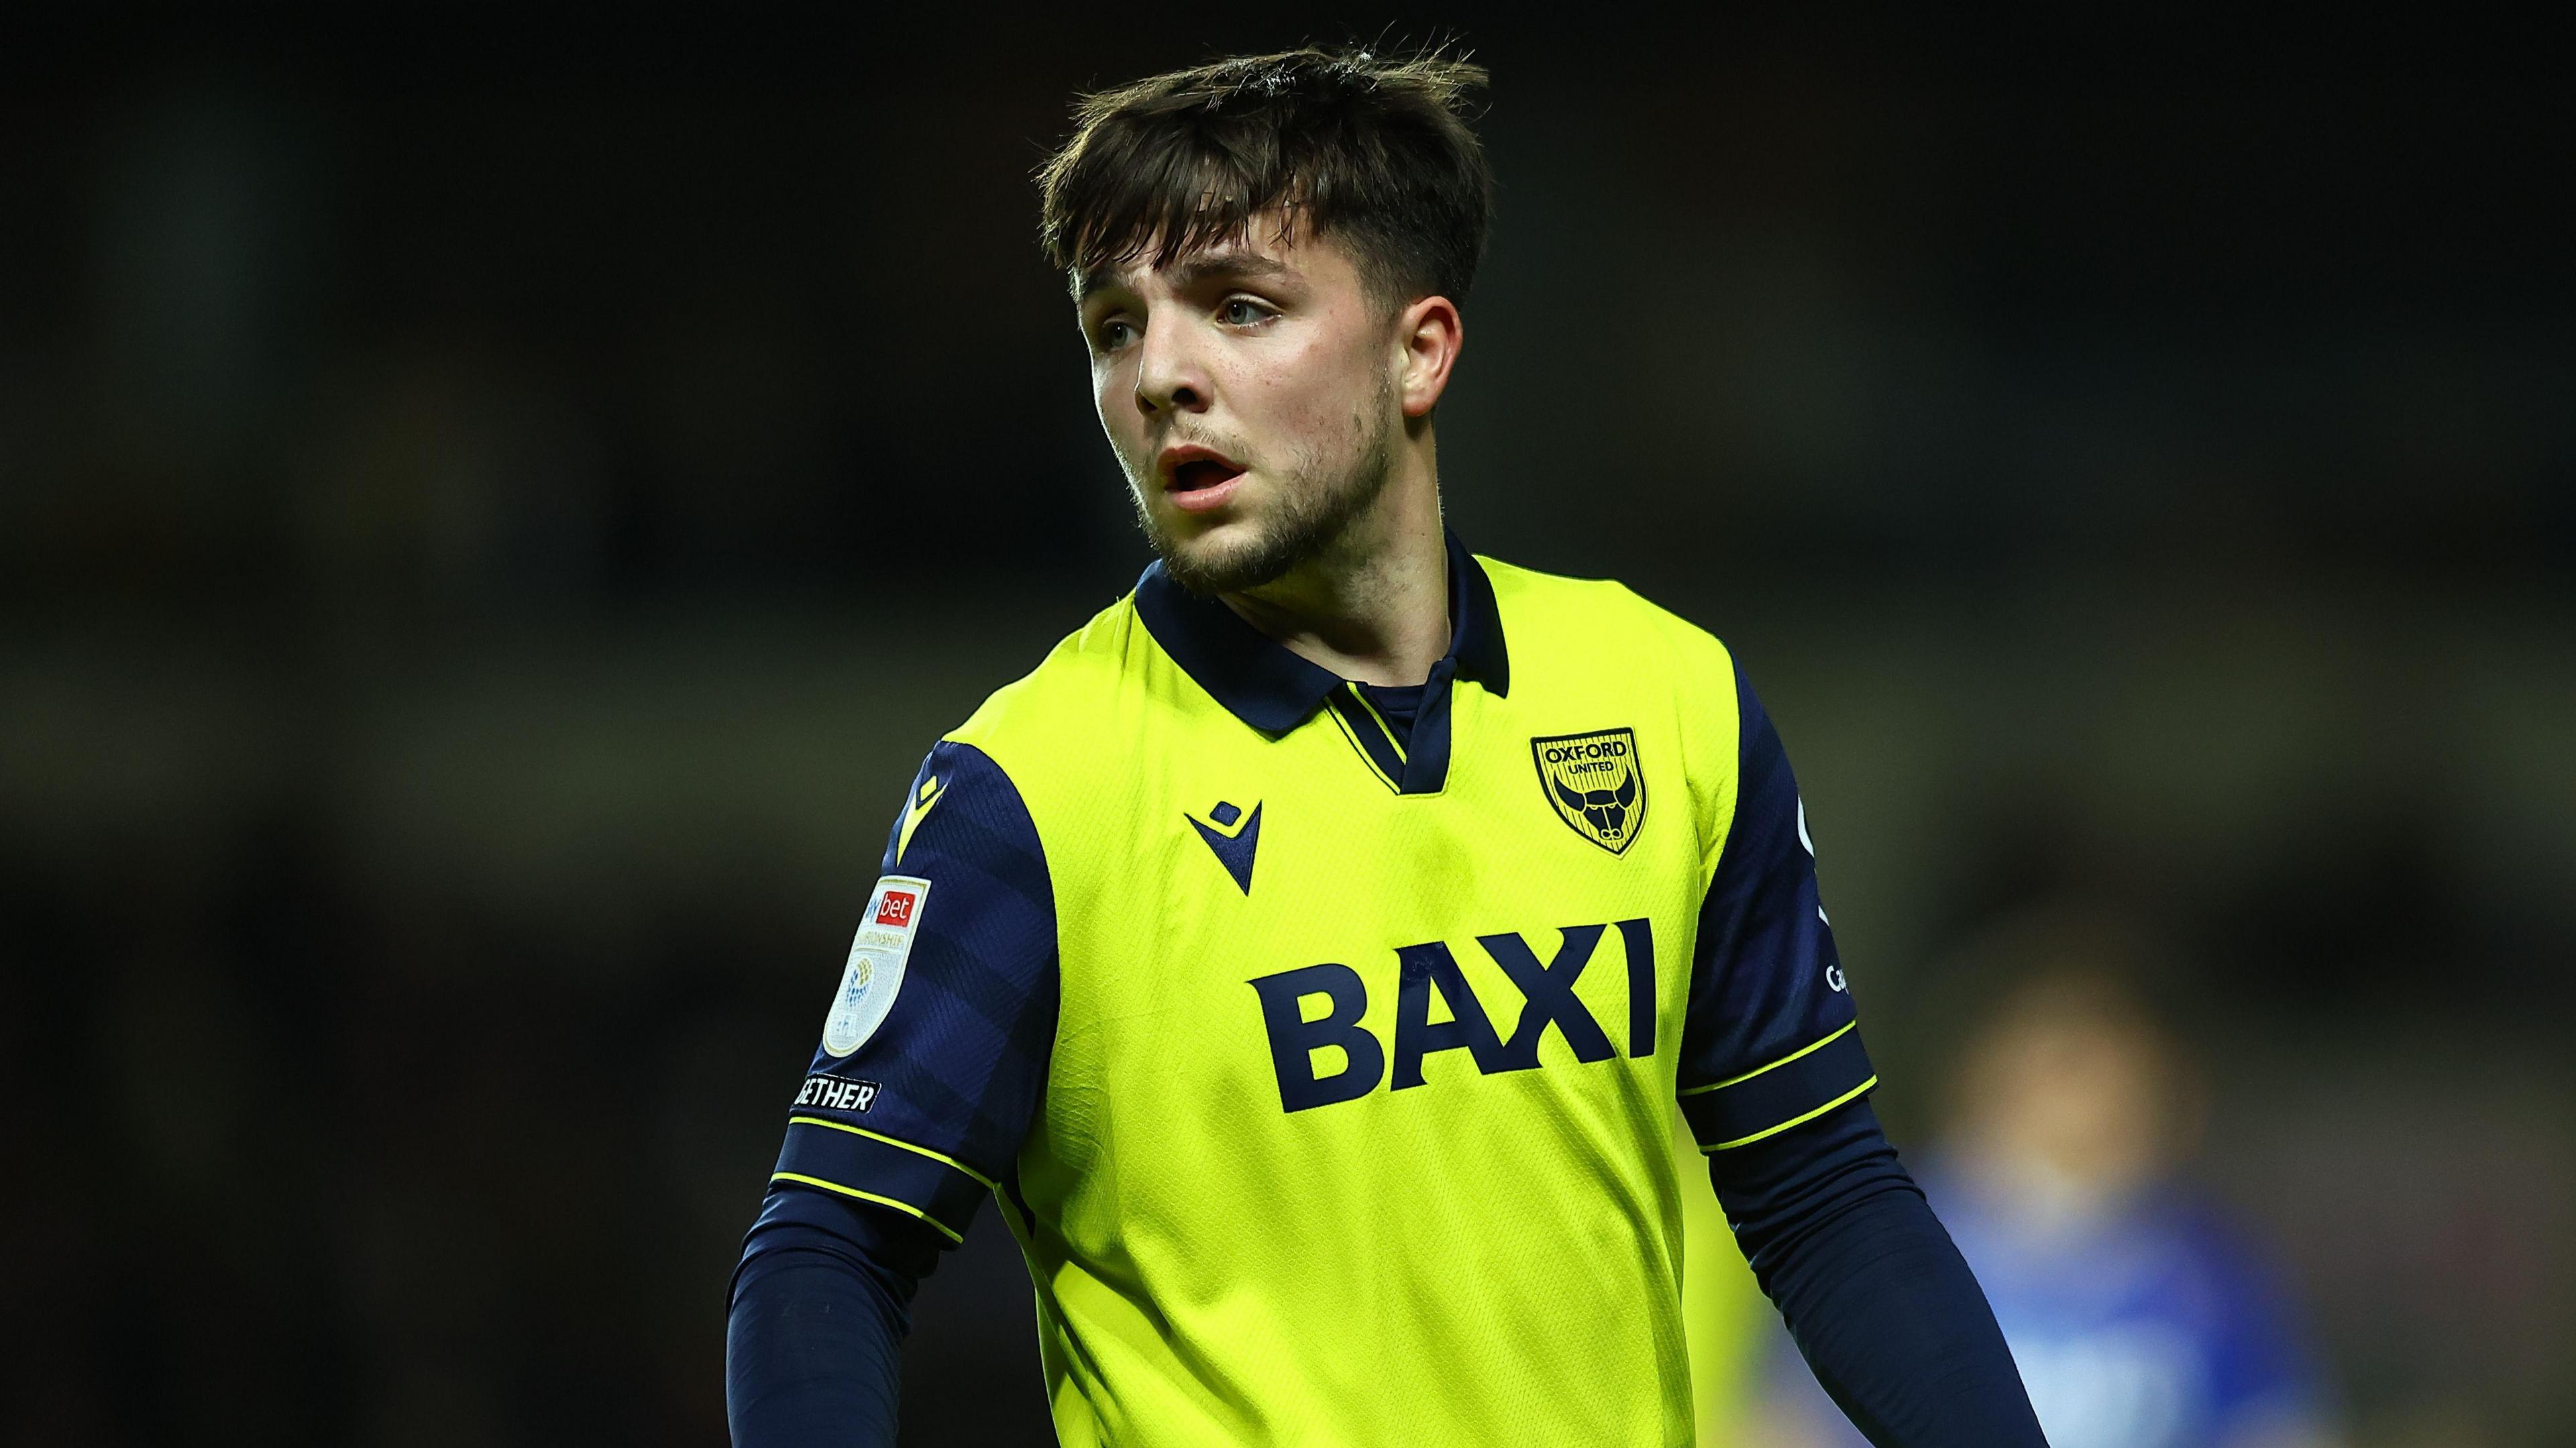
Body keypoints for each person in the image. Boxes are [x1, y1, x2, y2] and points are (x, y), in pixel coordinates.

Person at [725, 46, 2044, 1447]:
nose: (1162, 373)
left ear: (1421, 349)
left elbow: (1821, 1188)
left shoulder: (1665, 697)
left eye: (1238, 306)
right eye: (1116, 325)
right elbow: (827, 1253)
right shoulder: (1032, 790)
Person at [1751, 925, 2339, 1448]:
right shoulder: (1879, 1231)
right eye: (2060, 1062)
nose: (2086, 1097)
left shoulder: (2208, 1271)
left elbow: (2277, 1424)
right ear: (1981, 1073)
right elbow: (1784, 1422)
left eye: (2112, 1060)